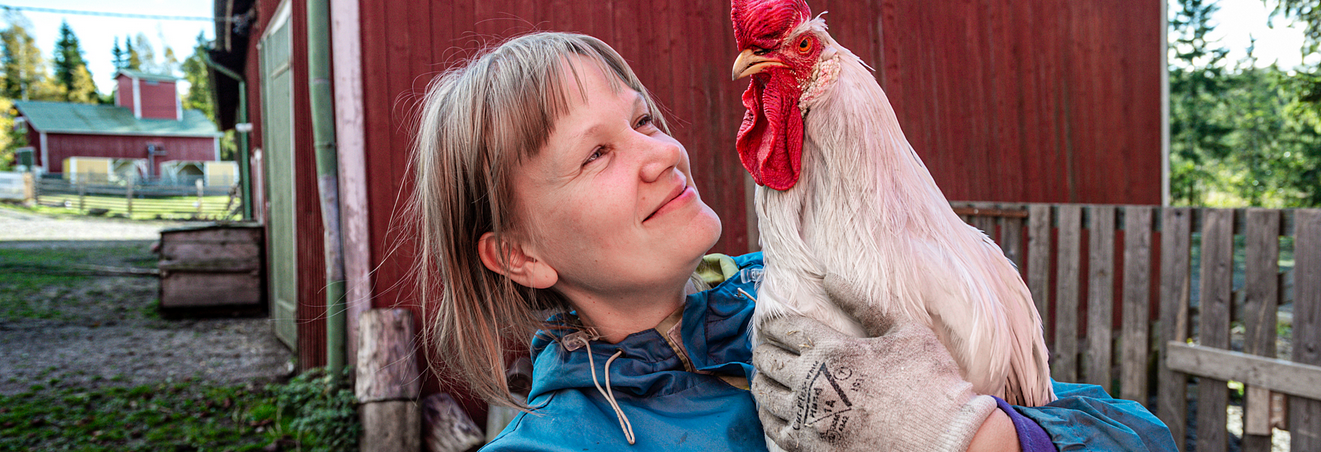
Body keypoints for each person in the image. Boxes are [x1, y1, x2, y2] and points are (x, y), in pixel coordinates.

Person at [412, 31, 1177, 451]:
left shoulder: (806, 300)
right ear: (519, 255)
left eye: (644, 120)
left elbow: (1142, 437)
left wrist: (983, 440)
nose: (662, 153)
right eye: (596, 154)